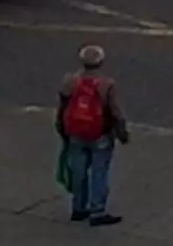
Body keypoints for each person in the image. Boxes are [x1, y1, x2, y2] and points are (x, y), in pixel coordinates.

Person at [57, 44, 129, 227]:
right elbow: (115, 112)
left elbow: (63, 106)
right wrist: (122, 133)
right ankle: (97, 210)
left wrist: (61, 127)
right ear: (101, 62)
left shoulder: (69, 81)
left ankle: (78, 207)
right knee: (99, 171)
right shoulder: (106, 85)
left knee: (78, 171)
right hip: (100, 135)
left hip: (76, 133)